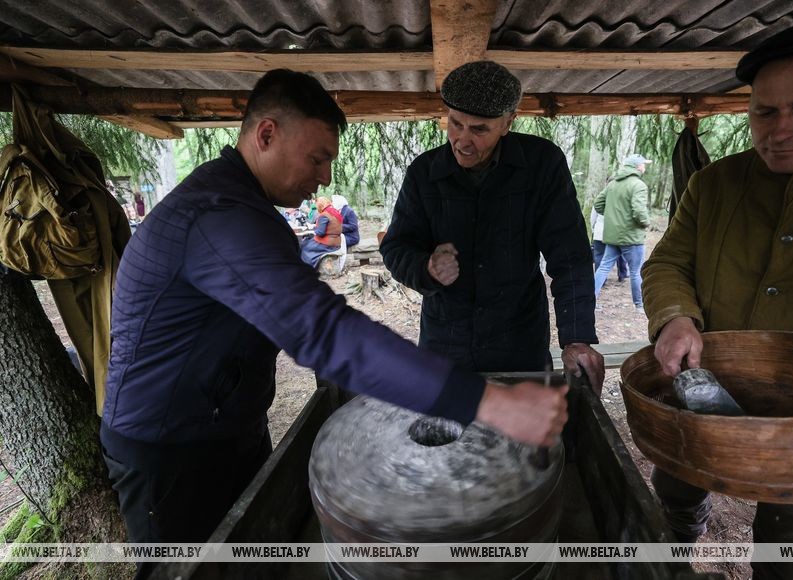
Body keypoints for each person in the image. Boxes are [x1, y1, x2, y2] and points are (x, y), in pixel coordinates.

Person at [100, 69, 569, 555]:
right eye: (318, 157)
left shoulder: (246, 208)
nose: (325, 176)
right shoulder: (218, 216)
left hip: (228, 425)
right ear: (266, 135)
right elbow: (322, 332)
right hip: (171, 451)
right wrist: (484, 401)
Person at [640, 16, 793, 580]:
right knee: (674, 497)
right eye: (764, 112)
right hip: (703, 394)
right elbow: (669, 262)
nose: (779, 130)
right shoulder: (715, 184)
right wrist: (675, 317)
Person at [380, 60, 604, 390]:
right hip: (446, 344)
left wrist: (578, 337)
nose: (462, 141)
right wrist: (424, 267)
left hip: (519, 344)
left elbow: (569, 256)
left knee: (526, 437)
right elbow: (397, 247)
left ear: (508, 122)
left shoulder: (542, 165)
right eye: (455, 124)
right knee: (447, 435)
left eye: (479, 129)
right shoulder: (423, 173)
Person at [592, 153, 651, 312]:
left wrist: (613, 217)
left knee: (603, 268)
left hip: (612, 237)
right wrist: (646, 222)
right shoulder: (638, 185)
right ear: (637, 167)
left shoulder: (613, 184)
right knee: (635, 272)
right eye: (643, 164)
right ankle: (639, 305)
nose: (644, 167)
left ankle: (589, 300)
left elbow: (598, 205)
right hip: (632, 238)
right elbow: (639, 211)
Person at [300, 195, 342, 267]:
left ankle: (307, 267)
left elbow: (320, 233)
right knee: (307, 241)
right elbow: (330, 226)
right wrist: (315, 227)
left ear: (320, 205)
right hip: (336, 242)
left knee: (304, 245)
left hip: (328, 244)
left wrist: (311, 231)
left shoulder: (324, 215)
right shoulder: (335, 212)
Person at [589, 206, 628, 283]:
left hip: (599, 232)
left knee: (599, 256)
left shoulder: (598, 201)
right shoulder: (616, 201)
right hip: (613, 232)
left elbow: (593, 218)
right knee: (620, 253)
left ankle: (601, 280)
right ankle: (622, 274)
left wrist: (594, 229)